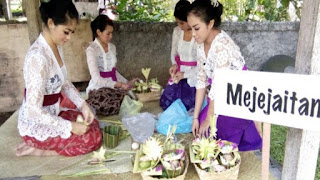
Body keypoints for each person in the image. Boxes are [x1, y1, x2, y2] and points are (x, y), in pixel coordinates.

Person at [15, 0, 102, 157]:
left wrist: (83, 106)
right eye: (66, 32)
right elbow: (33, 110)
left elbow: (65, 84)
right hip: (36, 122)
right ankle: (37, 147)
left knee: (93, 125)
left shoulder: (56, 47)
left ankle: (50, 144)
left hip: (53, 114)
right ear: (51, 23)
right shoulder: (38, 57)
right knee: (91, 140)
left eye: (71, 33)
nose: (68, 38)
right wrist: (70, 127)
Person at [187, 0, 262, 151]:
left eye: (196, 28)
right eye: (190, 29)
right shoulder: (200, 45)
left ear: (210, 23)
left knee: (213, 131)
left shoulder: (222, 45)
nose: (193, 34)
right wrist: (195, 118)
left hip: (238, 97)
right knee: (202, 128)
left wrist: (209, 118)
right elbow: (201, 81)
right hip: (219, 95)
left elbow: (219, 86)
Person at [86, 14, 138, 116]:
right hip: (98, 88)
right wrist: (119, 85)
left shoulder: (112, 47)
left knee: (129, 99)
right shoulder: (91, 49)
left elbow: (113, 72)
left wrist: (127, 82)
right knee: (104, 100)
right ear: (98, 32)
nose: (111, 36)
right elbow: (97, 79)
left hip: (113, 86)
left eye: (111, 33)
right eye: (108, 33)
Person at [160, 0, 198, 111]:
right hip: (178, 75)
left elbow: (203, 64)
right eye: (177, 22)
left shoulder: (198, 33)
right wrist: (174, 65)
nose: (179, 26)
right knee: (167, 102)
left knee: (187, 105)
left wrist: (185, 74)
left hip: (194, 76)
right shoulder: (177, 31)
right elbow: (174, 53)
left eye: (182, 23)